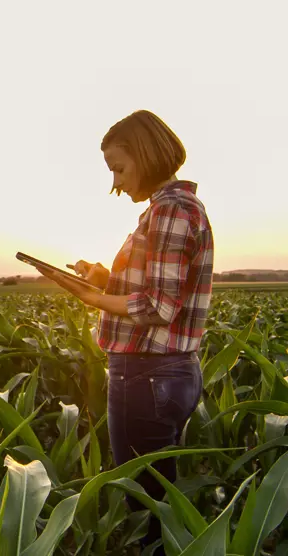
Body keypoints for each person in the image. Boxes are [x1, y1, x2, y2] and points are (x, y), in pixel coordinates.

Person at [36, 109, 213, 553]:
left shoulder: (170, 210)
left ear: (147, 156)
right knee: (159, 497)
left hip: (146, 374)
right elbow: (156, 290)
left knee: (147, 506)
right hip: (164, 372)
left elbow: (159, 307)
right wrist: (102, 278)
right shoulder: (173, 209)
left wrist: (93, 299)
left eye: (119, 167)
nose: (115, 182)